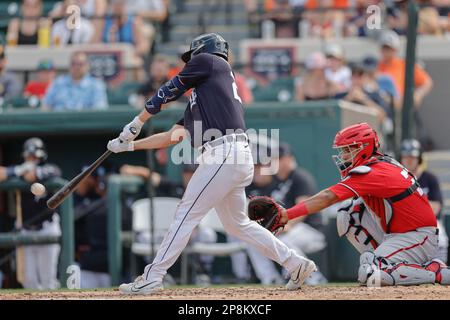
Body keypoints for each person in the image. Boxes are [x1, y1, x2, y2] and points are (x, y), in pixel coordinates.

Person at [106, 33, 315, 294]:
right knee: (237, 224)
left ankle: (153, 276)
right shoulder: (204, 96)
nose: (190, 62)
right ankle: (295, 263)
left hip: (224, 153)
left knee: (186, 213)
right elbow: (174, 136)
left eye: (191, 57)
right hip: (232, 155)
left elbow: (169, 89)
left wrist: (138, 121)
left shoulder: (211, 61)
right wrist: (129, 146)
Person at [277, 122, 450, 286]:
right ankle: (382, 260)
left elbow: (328, 197)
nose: (343, 156)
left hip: (418, 236)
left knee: (370, 274)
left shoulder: (373, 171)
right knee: (349, 212)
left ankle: (434, 271)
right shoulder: (379, 163)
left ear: (362, 148)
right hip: (399, 233)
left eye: (346, 150)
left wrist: (286, 215)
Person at [0, 138, 62, 289]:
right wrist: (19, 170)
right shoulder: (19, 170)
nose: (31, 159)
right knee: (28, 280)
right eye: (29, 156)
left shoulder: (51, 169)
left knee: (48, 281)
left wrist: (33, 172)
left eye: (34, 156)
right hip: (25, 229)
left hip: (47, 228)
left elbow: (51, 172)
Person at [400, 139, 448, 263]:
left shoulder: (430, 178)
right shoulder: (398, 180)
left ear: (419, 158)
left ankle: (440, 268)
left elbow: (436, 207)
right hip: (406, 224)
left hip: (430, 223)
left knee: (441, 237)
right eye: (406, 157)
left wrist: (411, 206)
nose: (409, 160)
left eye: (412, 157)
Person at [43, 52, 108, 110]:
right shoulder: (58, 83)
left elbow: (99, 110)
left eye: (80, 64)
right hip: (58, 122)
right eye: (73, 64)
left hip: (85, 122)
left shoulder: (96, 85)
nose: (76, 67)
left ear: (87, 66)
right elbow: (46, 106)